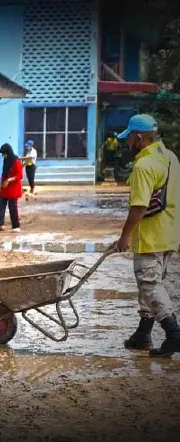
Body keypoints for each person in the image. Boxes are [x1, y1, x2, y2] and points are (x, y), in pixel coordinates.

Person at [112, 114, 180, 357]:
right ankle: (143, 334)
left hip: (151, 236)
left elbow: (139, 206)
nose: (127, 142)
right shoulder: (170, 157)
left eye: (129, 138)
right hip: (170, 234)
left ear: (139, 138)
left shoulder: (143, 166)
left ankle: (173, 334)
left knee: (150, 286)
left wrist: (124, 237)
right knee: (150, 285)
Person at [0, 143, 23, 232]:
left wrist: (9, 180)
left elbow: (19, 175)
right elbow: (4, 174)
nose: (3, 155)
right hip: (5, 188)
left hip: (13, 188)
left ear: (8, 153)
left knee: (12, 207)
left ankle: (16, 226)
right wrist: (1, 185)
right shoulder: (6, 161)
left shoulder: (16, 161)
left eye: (4, 153)